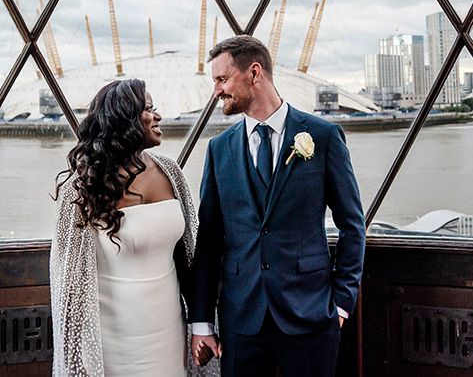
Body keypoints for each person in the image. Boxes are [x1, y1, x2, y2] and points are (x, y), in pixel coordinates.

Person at [190, 35, 365, 377]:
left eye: (222, 79)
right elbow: (209, 240)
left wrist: (342, 303)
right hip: (241, 319)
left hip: (311, 314)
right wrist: (201, 320)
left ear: (254, 73)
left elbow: (352, 225)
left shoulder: (323, 136)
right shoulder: (219, 149)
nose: (217, 91)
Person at [50, 78, 217, 376]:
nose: (158, 116)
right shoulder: (82, 187)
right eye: (149, 109)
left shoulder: (170, 172)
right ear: (125, 120)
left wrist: (199, 323)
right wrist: (78, 352)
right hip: (111, 338)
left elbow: (188, 253)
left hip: (168, 329)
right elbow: (69, 281)